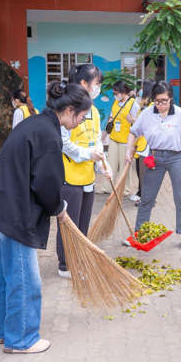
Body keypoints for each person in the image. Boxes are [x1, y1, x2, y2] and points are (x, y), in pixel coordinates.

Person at [0, 81, 92, 354]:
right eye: (82, 117)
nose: (81, 122)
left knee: (6, 277)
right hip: (15, 216)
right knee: (25, 280)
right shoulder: (49, 136)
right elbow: (47, 184)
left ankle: (6, 333)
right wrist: (59, 207)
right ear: (71, 110)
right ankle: (22, 340)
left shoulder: (33, 123)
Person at [55, 64, 112, 279]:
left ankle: (78, 259)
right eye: (97, 84)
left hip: (88, 178)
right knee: (69, 225)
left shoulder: (95, 111)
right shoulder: (67, 108)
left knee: (82, 224)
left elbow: (96, 142)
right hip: (69, 178)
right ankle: (65, 265)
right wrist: (88, 154)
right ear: (83, 84)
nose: (98, 88)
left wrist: (101, 165)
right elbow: (64, 143)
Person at [125, 81, 181, 252]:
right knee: (147, 196)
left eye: (164, 100)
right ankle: (139, 232)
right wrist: (128, 150)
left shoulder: (180, 114)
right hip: (155, 157)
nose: (160, 105)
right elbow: (134, 131)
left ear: (171, 98)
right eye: (157, 101)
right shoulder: (147, 113)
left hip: (176, 158)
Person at [97, 80, 140, 196]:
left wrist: (133, 120)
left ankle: (124, 189)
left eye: (117, 93)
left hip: (126, 140)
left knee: (124, 166)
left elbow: (139, 122)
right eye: (114, 93)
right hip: (114, 137)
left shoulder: (133, 104)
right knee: (110, 163)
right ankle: (108, 187)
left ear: (123, 91)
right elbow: (111, 117)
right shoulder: (116, 102)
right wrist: (106, 131)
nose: (115, 95)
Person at [130, 80, 155, 206]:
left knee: (147, 175)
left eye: (141, 88)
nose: (139, 91)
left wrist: (135, 121)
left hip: (148, 146)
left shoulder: (152, 107)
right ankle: (142, 195)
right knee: (141, 173)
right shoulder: (143, 106)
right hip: (141, 145)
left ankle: (148, 199)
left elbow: (148, 125)